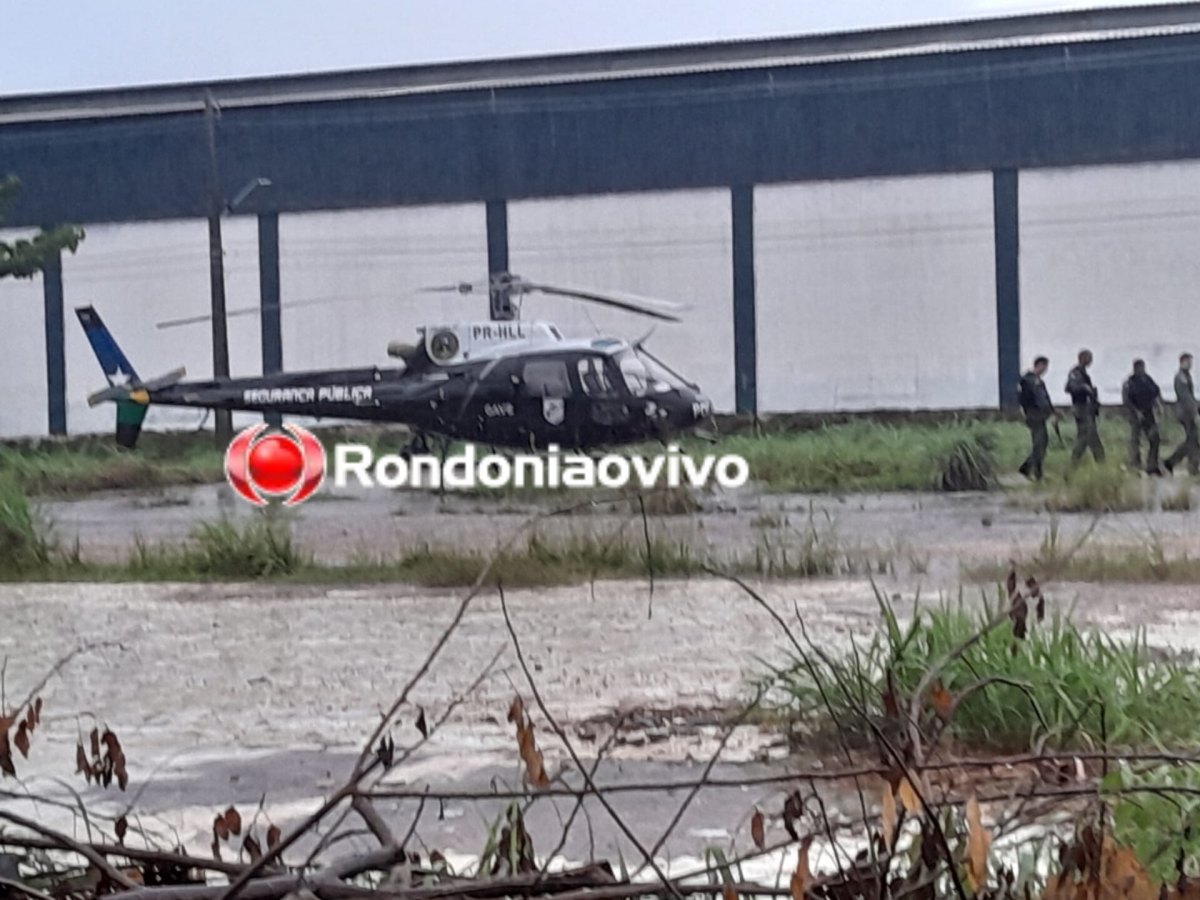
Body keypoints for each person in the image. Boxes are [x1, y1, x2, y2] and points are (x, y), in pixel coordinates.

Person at [1017, 356, 1056, 480]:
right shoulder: (1032, 381)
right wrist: (1050, 412)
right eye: (1045, 367)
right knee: (1040, 444)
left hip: (1033, 414)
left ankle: (1035, 472)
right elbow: (1040, 399)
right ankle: (1028, 469)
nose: (1045, 370)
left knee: (1041, 444)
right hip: (1036, 415)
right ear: (1039, 365)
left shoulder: (1028, 380)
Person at [1121, 359, 1161, 475]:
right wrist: (1136, 412)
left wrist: (1158, 405)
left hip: (1149, 413)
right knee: (1135, 440)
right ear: (1135, 369)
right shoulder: (1129, 382)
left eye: (1143, 367)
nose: (1142, 370)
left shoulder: (1147, 379)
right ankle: (1134, 465)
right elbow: (1126, 401)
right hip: (1135, 415)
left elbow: (1155, 392)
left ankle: (1152, 465)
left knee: (1155, 439)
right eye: (1140, 368)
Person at [1066, 349, 1105, 464]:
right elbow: (1070, 387)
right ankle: (1075, 463)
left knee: (1090, 437)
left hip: (1087, 409)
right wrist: (1084, 388)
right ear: (1082, 358)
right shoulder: (1076, 373)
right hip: (1081, 408)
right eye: (1089, 358)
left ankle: (1100, 461)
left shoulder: (1083, 373)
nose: (1091, 360)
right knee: (1086, 436)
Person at [1165, 352, 1199, 476]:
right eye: (1188, 362)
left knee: (1192, 441)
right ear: (1182, 362)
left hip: (1187, 412)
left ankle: (1175, 463)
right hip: (1185, 413)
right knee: (1192, 440)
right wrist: (1195, 411)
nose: (1190, 364)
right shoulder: (1181, 377)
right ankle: (1172, 463)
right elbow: (1185, 397)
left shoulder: (1186, 375)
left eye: (1191, 362)